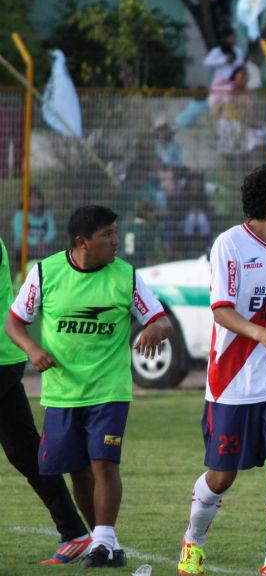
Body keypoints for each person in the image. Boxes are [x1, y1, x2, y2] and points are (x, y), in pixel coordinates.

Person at [4, 205, 173, 568]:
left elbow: (161, 320)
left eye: (115, 232)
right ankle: (103, 541)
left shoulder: (125, 276)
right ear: (82, 242)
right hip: (62, 393)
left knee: (104, 464)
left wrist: (153, 330)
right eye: (107, 235)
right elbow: (15, 323)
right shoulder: (45, 273)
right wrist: (33, 349)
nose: (116, 241)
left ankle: (104, 539)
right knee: (77, 470)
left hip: (109, 391)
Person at [177, 163, 266, 576]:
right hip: (233, 382)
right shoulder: (230, 244)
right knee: (221, 476)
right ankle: (193, 540)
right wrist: (263, 335)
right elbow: (221, 311)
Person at [0, 235, 92, 565]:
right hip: (5, 359)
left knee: (23, 449)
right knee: (23, 450)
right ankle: (75, 533)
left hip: (2, 358)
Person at [13, 186, 57, 258]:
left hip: (44, 247)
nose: (35, 201)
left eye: (37, 197)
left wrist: (44, 242)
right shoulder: (20, 215)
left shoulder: (47, 215)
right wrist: (35, 243)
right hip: (24, 248)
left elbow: (52, 232)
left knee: (51, 256)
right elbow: (20, 234)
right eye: (31, 198)